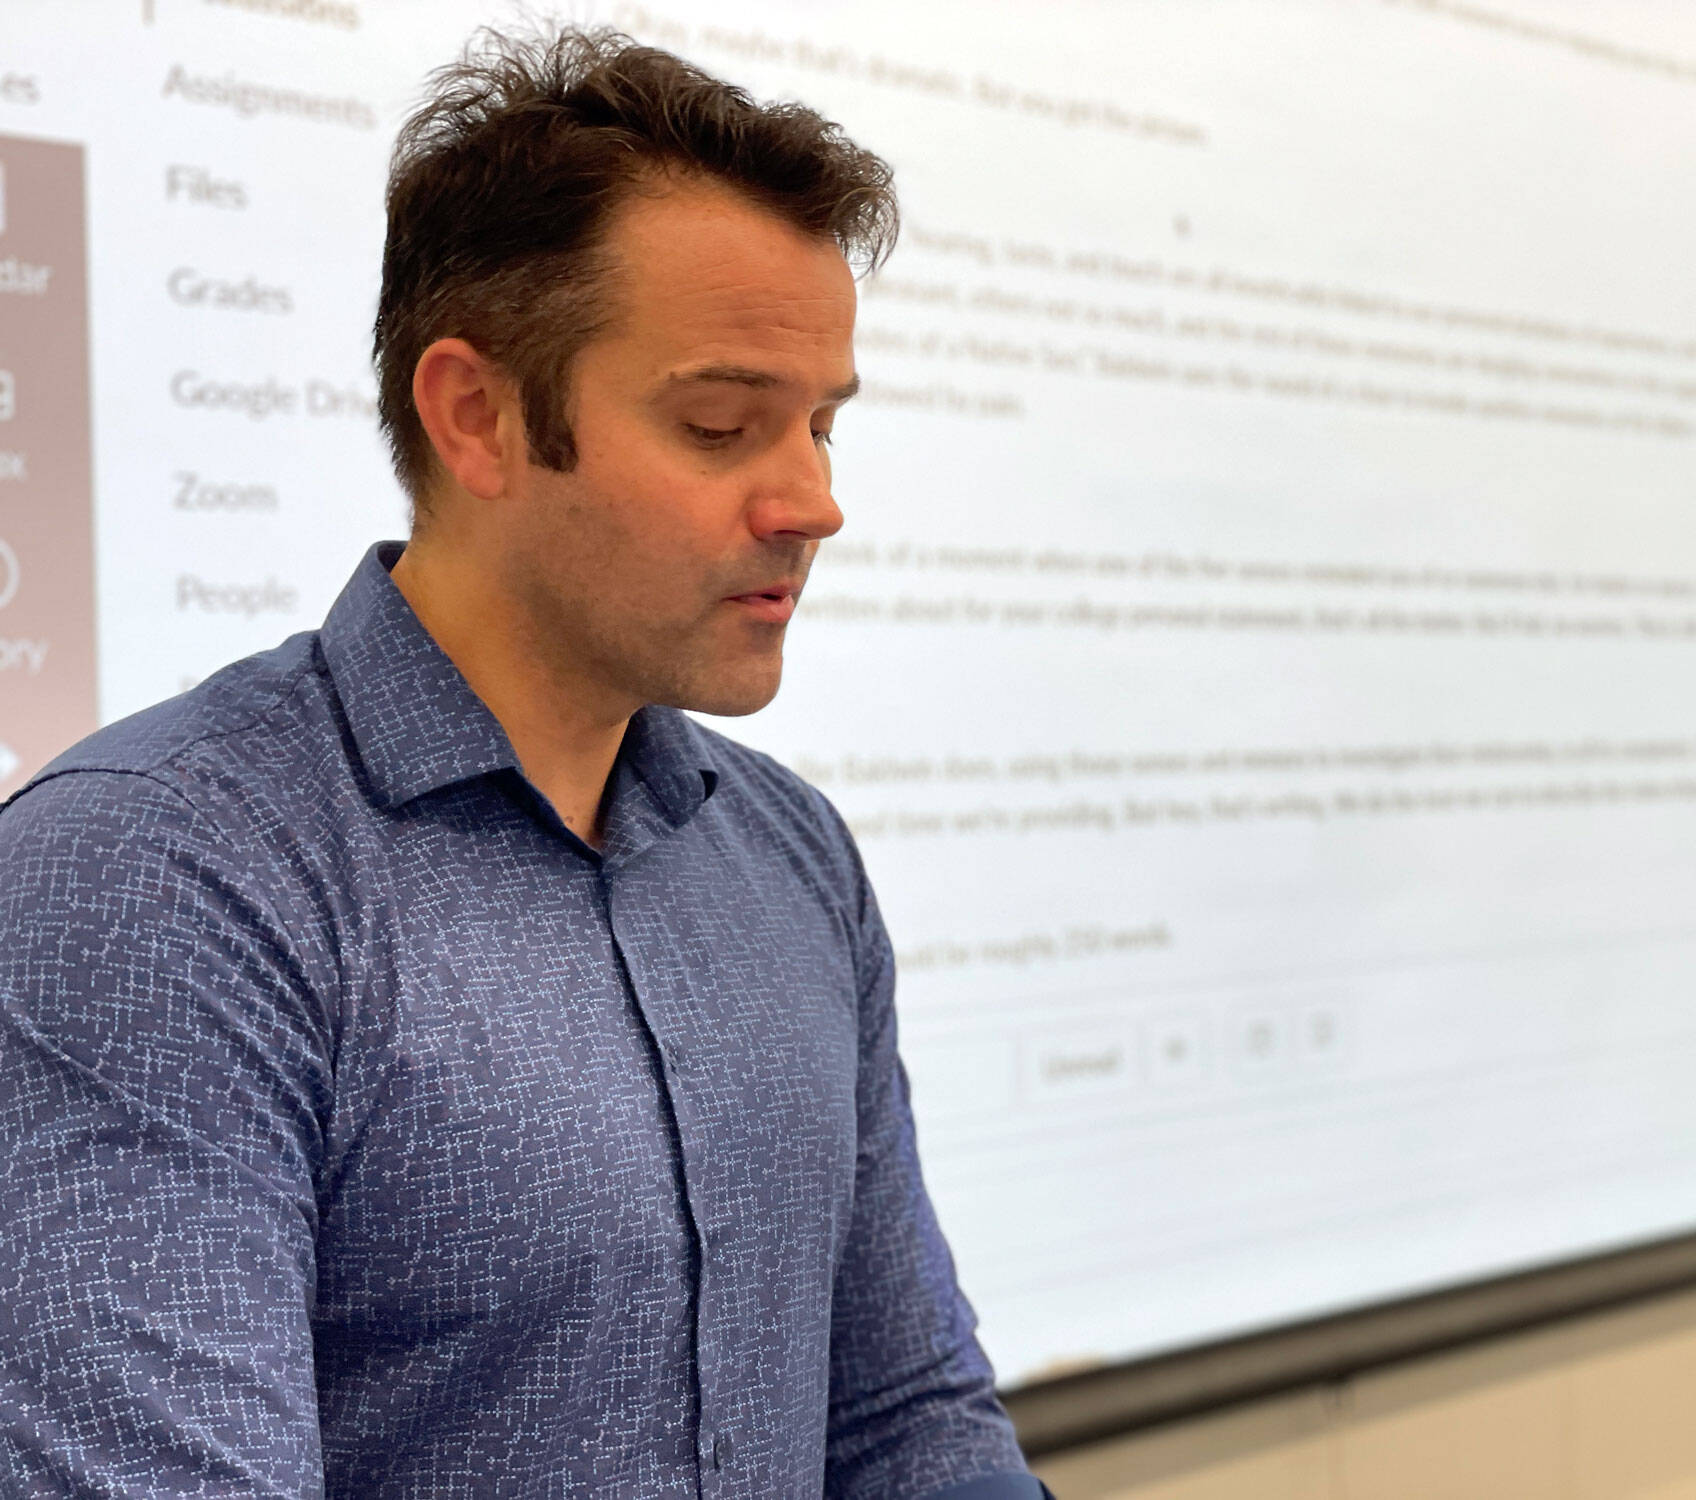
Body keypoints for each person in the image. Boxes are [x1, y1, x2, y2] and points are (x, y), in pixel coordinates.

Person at [0, 26, 1048, 1500]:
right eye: (722, 424)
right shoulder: (163, 880)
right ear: (476, 415)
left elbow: (901, 1421)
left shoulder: (789, 857)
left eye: (821, 425)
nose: (814, 501)